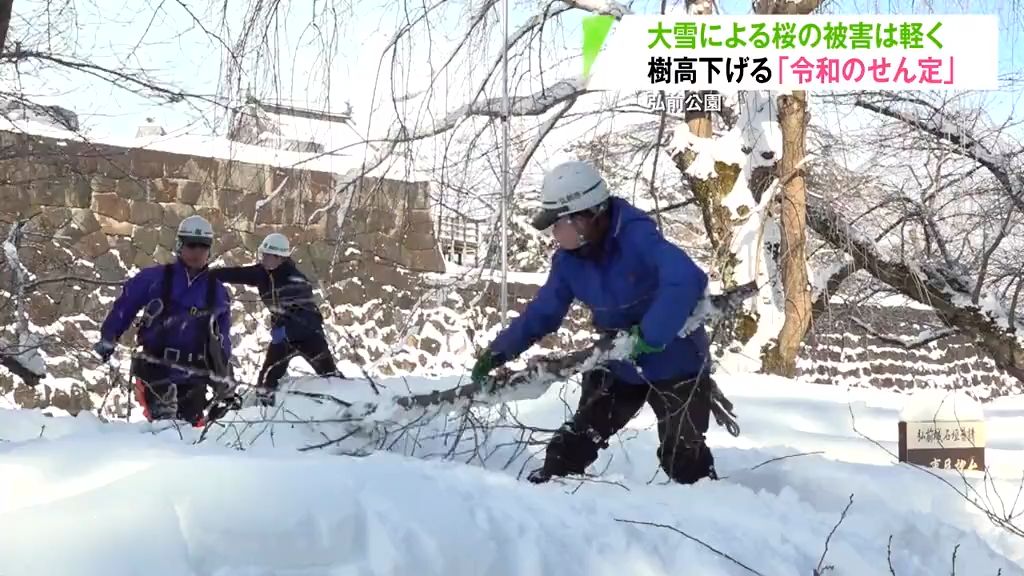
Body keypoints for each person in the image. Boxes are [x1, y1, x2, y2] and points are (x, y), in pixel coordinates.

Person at [471, 160, 717, 485]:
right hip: (617, 362)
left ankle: (703, 511)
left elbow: (686, 279)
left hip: (677, 359)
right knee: (570, 448)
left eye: (560, 224)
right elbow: (543, 312)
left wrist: (651, 335)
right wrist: (498, 353)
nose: (556, 234)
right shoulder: (568, 262)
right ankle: (547, 498)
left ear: (588, 215)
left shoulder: (636, 237)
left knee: (685, 461)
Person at [94, 215, 236, 426]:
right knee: (165, 429)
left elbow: (222, 338)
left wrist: (224, 379)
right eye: (191, 245)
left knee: (188, 434)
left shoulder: (217, 292)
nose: (197, 252)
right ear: (180, 245)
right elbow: (126, 306)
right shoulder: (154, 279)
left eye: (203, 246)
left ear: (210, 249)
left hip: (195, 374)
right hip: (156, 367)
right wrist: (109, 337)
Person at [209, 232, 344, 405]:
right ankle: (265, 413)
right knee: (266, 381)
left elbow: (306, 316)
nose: (263, 258)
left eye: (267, 255)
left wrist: (287, 330)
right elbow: (238, 273)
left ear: (279, 258)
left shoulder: (295, 281)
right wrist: (211, 274)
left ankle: (350, 402)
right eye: (262, 254)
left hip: (309, 336)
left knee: (330, 376)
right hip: (283, 339)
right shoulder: (262, 273)